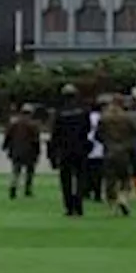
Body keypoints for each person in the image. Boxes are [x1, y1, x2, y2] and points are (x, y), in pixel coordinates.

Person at [49, 84, 91, 217]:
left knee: (66, 180)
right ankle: (78, 205)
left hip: (64, 150)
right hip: (80, 149)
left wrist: (52, 155)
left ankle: (69, 206)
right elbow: (87, 129)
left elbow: (55, 135)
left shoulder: (59, 113)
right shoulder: (83, 111)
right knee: (80, 178)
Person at [96, 94, 136, 216]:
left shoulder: (104, 118)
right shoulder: (127, 118)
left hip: (109, 151)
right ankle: (123, 198)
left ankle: (112, 206)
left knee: (110, 180)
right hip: (124, 151)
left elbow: (97, 135)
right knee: (125, 178)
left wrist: (106, 142)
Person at [3, 103, 41, 199]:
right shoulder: (33, 125)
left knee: (16, 171)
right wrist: (38, 152)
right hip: (29, 152)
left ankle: (13, 188)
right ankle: (27, 190)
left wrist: (5, 147)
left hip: (16, 151)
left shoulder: (14, 124)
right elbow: (36, 140)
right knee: (29, 172)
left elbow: (8, 137)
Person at [84, 96, 106, 203]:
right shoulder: (102, 118)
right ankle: (97, 193)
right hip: (99, 147)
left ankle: (86, 191)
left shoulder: (86, 117)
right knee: (98, 172)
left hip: (87, 145)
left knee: (87, 171)